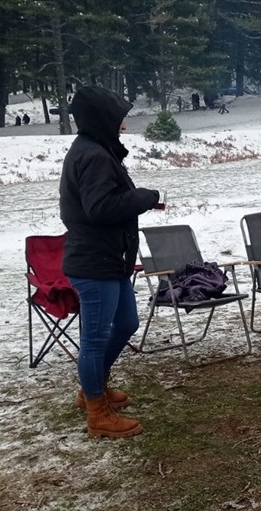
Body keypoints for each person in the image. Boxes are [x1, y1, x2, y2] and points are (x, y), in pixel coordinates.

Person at [59, 85, 161, 439]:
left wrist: (136, 199)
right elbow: (100, 208)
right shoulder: (94, 156)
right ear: (102, 119)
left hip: (108, 259)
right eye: (119, 118)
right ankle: (97, 413)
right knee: (94, 339)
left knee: (127, 323)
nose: (124, 125)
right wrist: (144, 198)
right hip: (95, 261)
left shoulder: (96, 150)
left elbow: (104, 200)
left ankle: (92, 389)